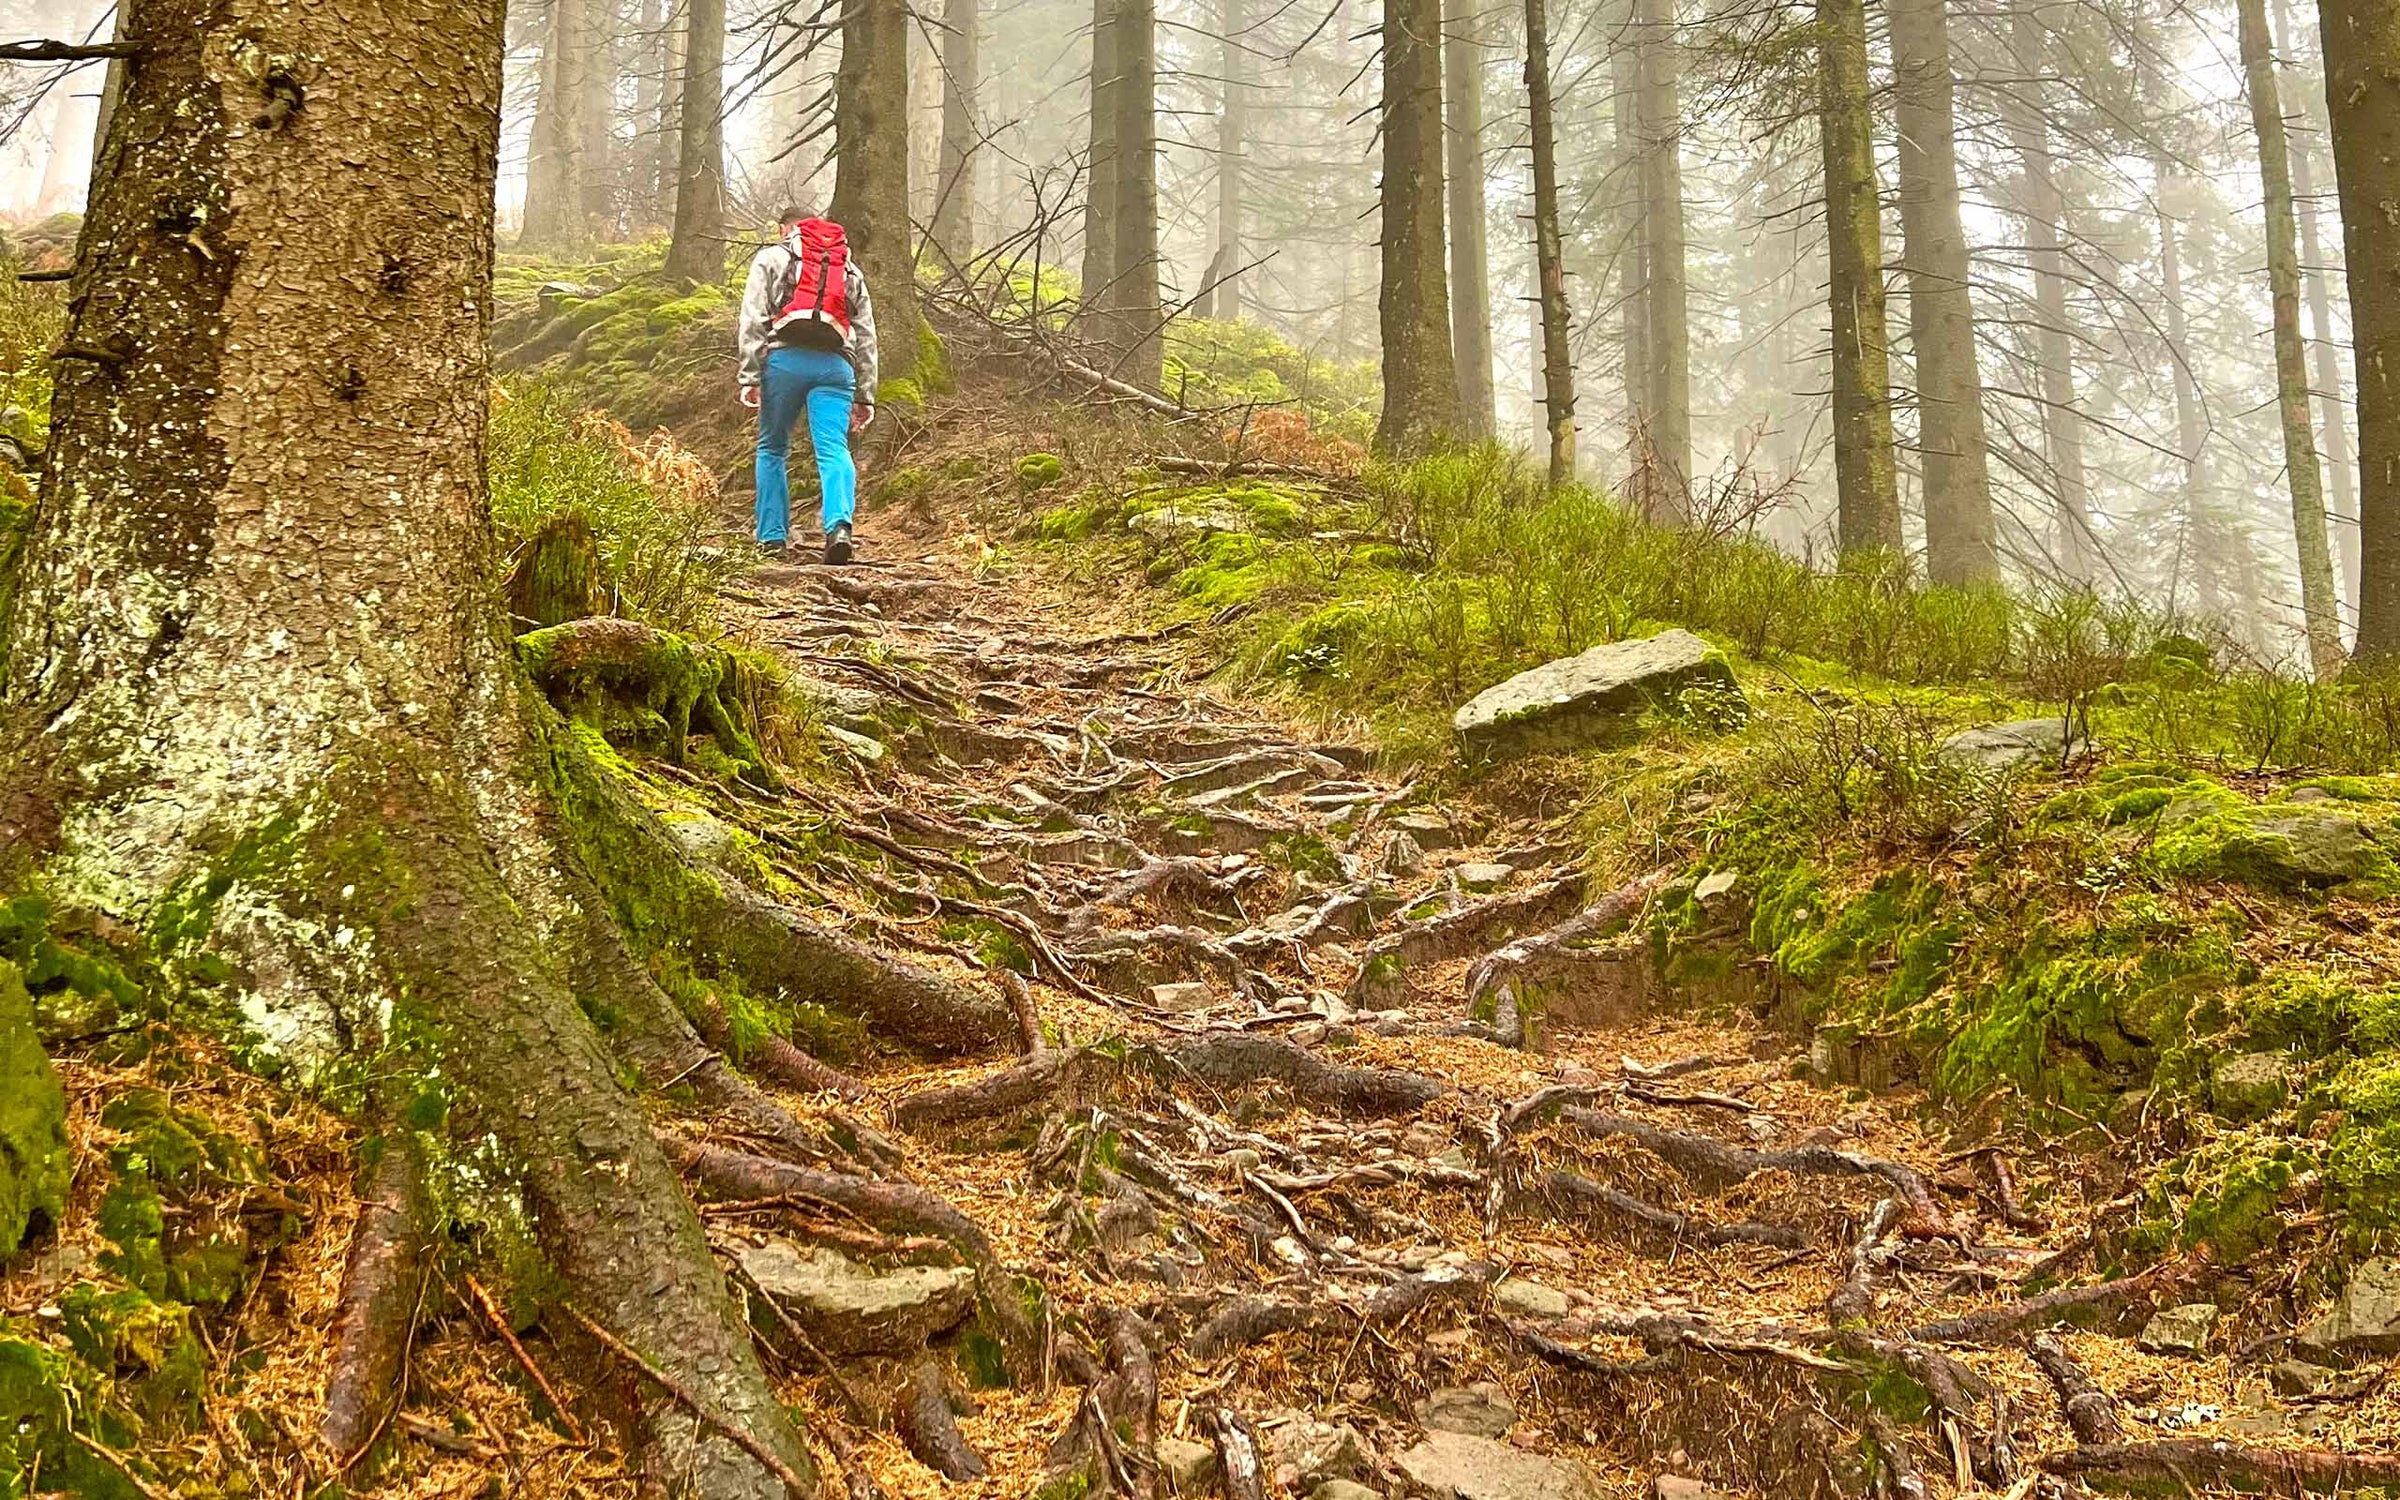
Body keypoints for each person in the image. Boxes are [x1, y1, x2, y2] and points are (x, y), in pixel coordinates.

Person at [737, 206, 880, 564]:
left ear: (787, 229)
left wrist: (750, 374)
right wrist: (866, 394)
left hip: (784, 362)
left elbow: (752, 316)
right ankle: (840, 529)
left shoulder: (771, 258)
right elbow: (866, 335)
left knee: (772, 448)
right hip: (835, 366)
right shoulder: (848, 269)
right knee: (834, 449)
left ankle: (771, 538)